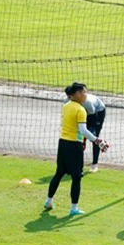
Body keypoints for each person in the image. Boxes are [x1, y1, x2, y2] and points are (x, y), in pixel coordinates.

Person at [43, 82, 110, 216]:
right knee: (77, 177)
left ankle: (48, 201)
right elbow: (83, 130)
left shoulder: (67, 106)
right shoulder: (81, 110)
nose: (86, 94)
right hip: (74, 145)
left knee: (59, 173)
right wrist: (98, 141)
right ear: (77, 94)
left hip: (63, 143)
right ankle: (74, 208)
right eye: (84, 92)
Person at [81, 92, 107, 173]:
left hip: (97, 113)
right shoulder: (68, 101)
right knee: (80, 137)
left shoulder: (87, 103)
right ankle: (78, 164)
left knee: (93, 137)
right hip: (84, 113)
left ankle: (95, 164)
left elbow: (91, 113)